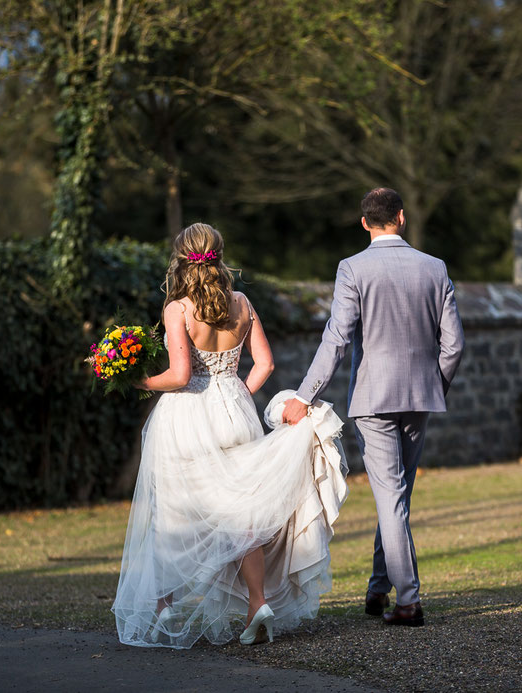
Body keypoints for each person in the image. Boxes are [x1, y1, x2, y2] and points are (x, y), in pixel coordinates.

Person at [112, 222, 348, 649]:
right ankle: (256, 602)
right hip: (235, 413)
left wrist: (140, 382)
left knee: (172, 507)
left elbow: (181, 374)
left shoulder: (177, 309)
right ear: (219, 256)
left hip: (188, 416)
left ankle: (165, 605)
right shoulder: (241, 302)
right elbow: (265, 364)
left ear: (180, 260)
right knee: (242, 513)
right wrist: (237, 392)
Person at [282, 187, 465, 627]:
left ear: (365, 223)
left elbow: (338, 339)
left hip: (373, 399)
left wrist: (304, 395)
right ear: (401, 217)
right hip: (420, 397)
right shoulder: (435, 267)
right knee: (397, 496)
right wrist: (432, 385)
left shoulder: (353, 268)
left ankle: (408, 601)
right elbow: (454, 345)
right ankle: (378, 589)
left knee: (391, 496)